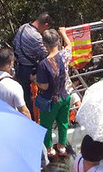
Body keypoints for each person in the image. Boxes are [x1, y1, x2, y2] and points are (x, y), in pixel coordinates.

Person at [36, 27, 73, 159]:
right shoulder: (64, 55)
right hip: (65, 95)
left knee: (46, 125)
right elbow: (69, 45)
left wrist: (35, 81)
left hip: (50, 100)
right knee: (63, 122)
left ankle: (50, 149)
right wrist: (64, 33)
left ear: (44, 44)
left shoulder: (43, 64)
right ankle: (62, 146)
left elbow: (44, 86)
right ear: (57, 42)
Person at [13, 13, 53, 120]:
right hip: (30, 69)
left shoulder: (23, 27)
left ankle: (28, 120)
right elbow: (46, 54)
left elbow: (15, 43)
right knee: (41, 91)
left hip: (20, 67)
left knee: (25, 97)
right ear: (45, 24)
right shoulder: (36, 37)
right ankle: (35, 120)